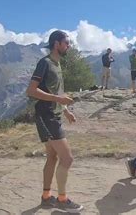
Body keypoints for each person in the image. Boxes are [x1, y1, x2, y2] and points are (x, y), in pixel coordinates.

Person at [26, 30, 83, 213]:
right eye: (66, 43)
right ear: (57, 43)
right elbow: (31, 91)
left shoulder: (57, 64)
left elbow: (57, 92)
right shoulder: (45, 63)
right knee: (67, 158)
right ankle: (61, 199)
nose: (69, 46)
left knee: (52, 156)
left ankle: (46, 197)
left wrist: (65, 110)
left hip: (54, 115)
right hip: (46, 116)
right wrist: (59, 101)